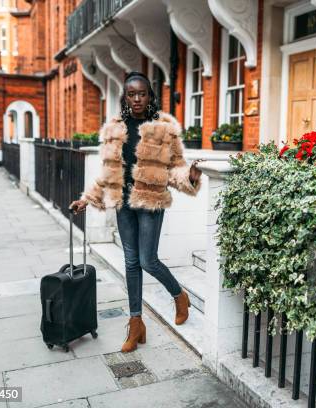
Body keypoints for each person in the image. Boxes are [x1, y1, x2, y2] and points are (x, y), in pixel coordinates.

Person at [69, 71, 203, 353]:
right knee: (130, 262)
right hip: (124, 203)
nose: (138, 98)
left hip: (151, 201)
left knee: (147, 260)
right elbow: (107, 172)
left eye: (142, 93)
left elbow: (175, 167)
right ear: (125, 97)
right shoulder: (115, 129)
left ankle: (178, 295)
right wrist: (86, 199)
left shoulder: (164, 128)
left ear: (150, 96)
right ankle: (136, 323)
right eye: (132, 94)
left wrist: (189, 176)